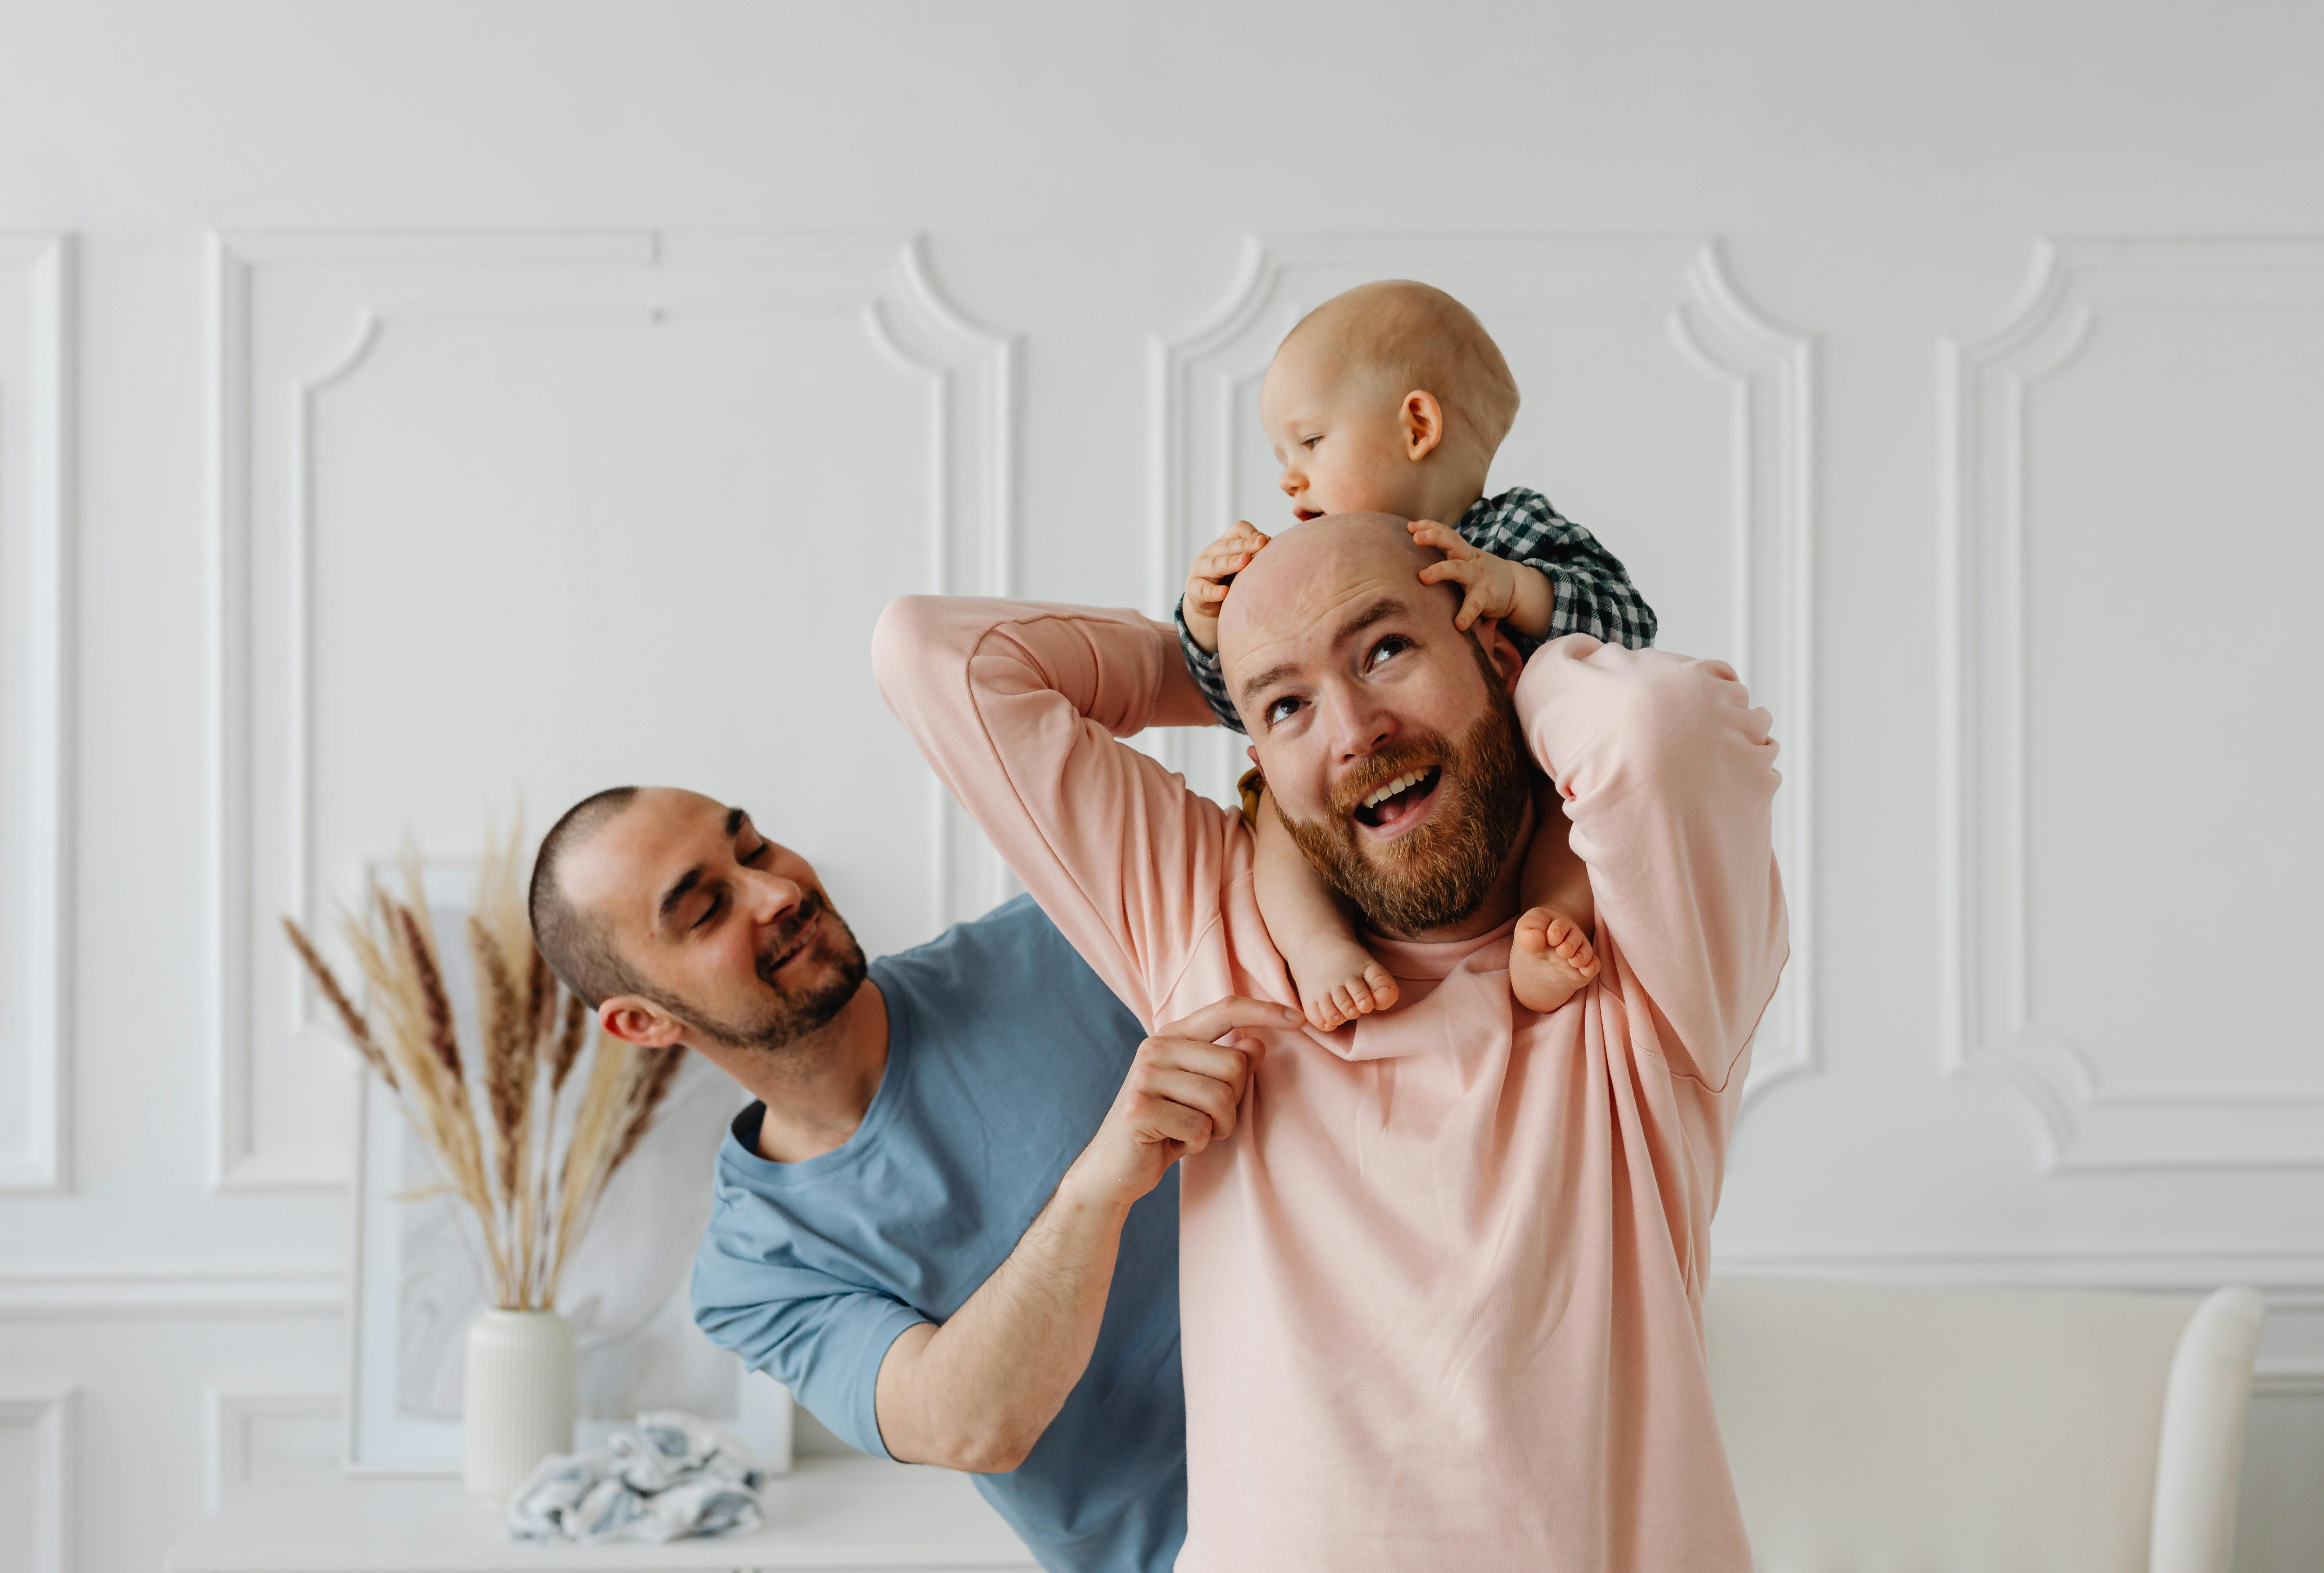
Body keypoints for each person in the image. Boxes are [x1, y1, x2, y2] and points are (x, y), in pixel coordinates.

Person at [876, 512, 1787, 1571]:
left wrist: (1519, 652)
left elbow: (1658, 726)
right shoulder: (1212, 927)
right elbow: (931, 655)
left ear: (1494, 651)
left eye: (1387, 650)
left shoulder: (1642, 966)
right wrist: (1215, 662)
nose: (1356, 732)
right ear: (1256, 753)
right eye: (1291, 706)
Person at [525, 790, 1298, 1573]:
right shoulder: (756, 1271)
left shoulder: (1070, 933)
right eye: (705, 909)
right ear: (645, 1022)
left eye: (754, 848)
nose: (779, 891)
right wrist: (1099, 1184)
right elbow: (971, 1424)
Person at [1176, 279, 1658, 1029]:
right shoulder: (1313, 568)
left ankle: (1552, 926)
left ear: (1418, 424)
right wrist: (1207, 624)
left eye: (1310, 442)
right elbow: (1243, 702)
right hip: (1386, 808)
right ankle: (1316, 948)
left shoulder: (1512, 531)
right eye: (1283, 456)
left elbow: (1631, 625)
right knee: (1274, 807)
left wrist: (1516, 587)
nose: (1288, 478)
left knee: (1579, 811)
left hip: (1512, 773)